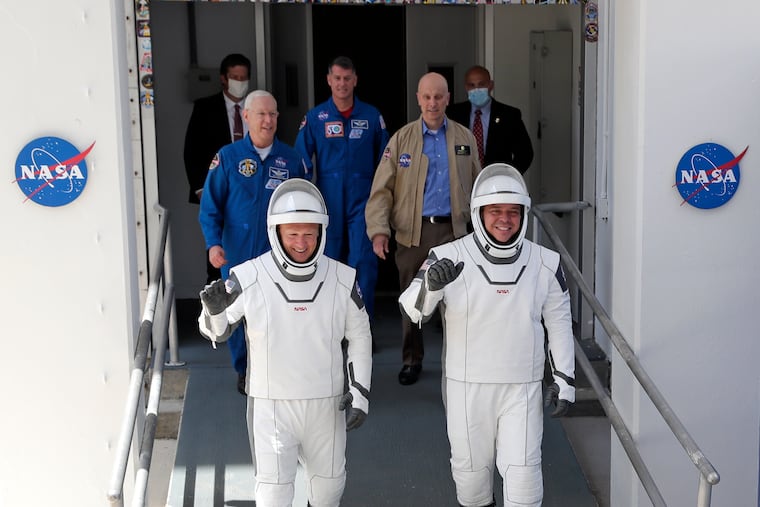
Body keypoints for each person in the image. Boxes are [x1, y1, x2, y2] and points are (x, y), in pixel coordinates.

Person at [398, 163, 575, 507]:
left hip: (520, 388)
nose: (504, 220)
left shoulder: (546, 262)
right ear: (479, 212)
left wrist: (565, 379)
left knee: (525, 483)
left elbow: (559, 322)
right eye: (495, 211)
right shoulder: (447, 257)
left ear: (524, 213)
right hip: (466, 387)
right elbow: (411, 309)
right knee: (472, 484)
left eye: (512, 212)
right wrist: (432, 287)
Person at [198, 178, 372, 507]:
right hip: (271, 405)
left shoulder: (342, 278)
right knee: (274, 494)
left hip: (327, 402)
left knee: (329, 490)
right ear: (276, 231)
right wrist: (214, 312)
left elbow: (360, 334)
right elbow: (216, 333)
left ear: (321, 232)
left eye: (308, 233)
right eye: (292, 234)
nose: (301, 243)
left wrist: (360, 390)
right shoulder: (248, 276)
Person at [365, 72, 481, 386]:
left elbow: (479, 185)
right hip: (413, 236)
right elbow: (381, 190)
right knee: (412, 303)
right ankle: (411, 360)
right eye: (427, 97)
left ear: (447, 98)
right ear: (418, 98)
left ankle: (457, 364)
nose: (433, 103)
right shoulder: (401, 140)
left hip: (454, 234)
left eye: (439, 96)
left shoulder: (463, 138)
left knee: (456, 304)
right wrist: (378, 230)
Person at [199, 89, 309, 395]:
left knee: (279, 313)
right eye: (261, 114)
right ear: (246, 116)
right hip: (235, 254)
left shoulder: (292, 160)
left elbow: (305, 206)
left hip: (277, 254)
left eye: (273, 114)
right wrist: (213, 244)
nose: (268, 120)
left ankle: (274, 368)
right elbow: (211, 208)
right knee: (235, 315)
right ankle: (244, 370)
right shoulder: (228, 158)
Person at [294, 56, 389, 323]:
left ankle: (361, 329)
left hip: (363, 203)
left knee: (363, 265)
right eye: (337, 78)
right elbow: (300, 163)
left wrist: (384, 200)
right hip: (328, 203)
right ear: (328, 80)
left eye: (347, 78)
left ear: (355, 80)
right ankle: (329, 329)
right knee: (327, 264)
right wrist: (304, 203)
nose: (342, 84)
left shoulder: (371, 116)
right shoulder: (315, 118)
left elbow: (387, 161)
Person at [184, 53, 252, 284]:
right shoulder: (205, 108)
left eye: (244, 77)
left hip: (250, 189)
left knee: (252, 251)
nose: (240, 81)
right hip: (217, 189)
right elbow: (191, 151)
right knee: (216, 252)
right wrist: (201, 189)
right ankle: (217, 308)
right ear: (224, 78)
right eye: (235, 77)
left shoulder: (257, 108)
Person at [447, 65, 533, 174]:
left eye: (481, 84)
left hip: (497, 182)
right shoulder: (453, 114)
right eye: (471, 85)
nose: (476, 89)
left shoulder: (509, 115)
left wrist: (509, 177)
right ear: (466, 87)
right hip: (462, 182)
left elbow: (525, 153)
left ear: (490, 85)